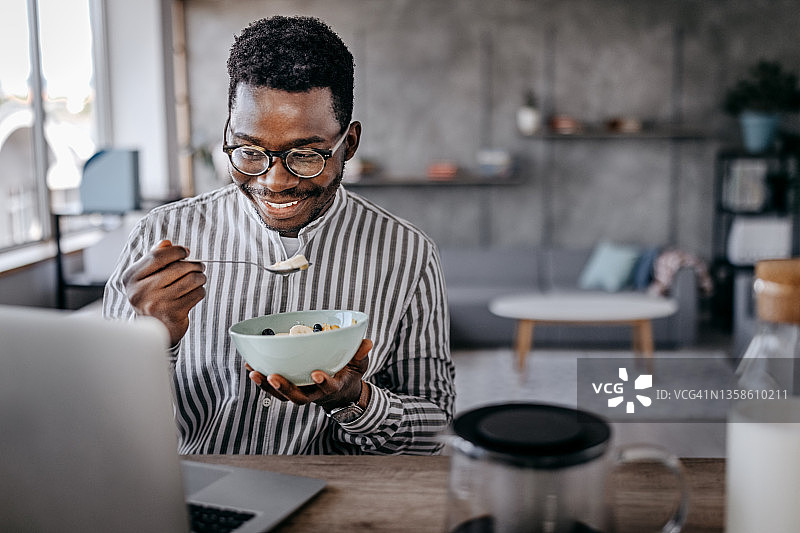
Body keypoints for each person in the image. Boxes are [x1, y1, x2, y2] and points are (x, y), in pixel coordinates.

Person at [103, 15, 455, 455]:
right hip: (201, 490)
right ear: (228, 136)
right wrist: (153, 338)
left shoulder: (407, 254)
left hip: (342, 504)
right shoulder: (162, 238)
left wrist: (355, 402)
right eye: (249, 151)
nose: (274, 183)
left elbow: (437, 427)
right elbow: (107, 418)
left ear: (349, 144)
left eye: (306, 155)